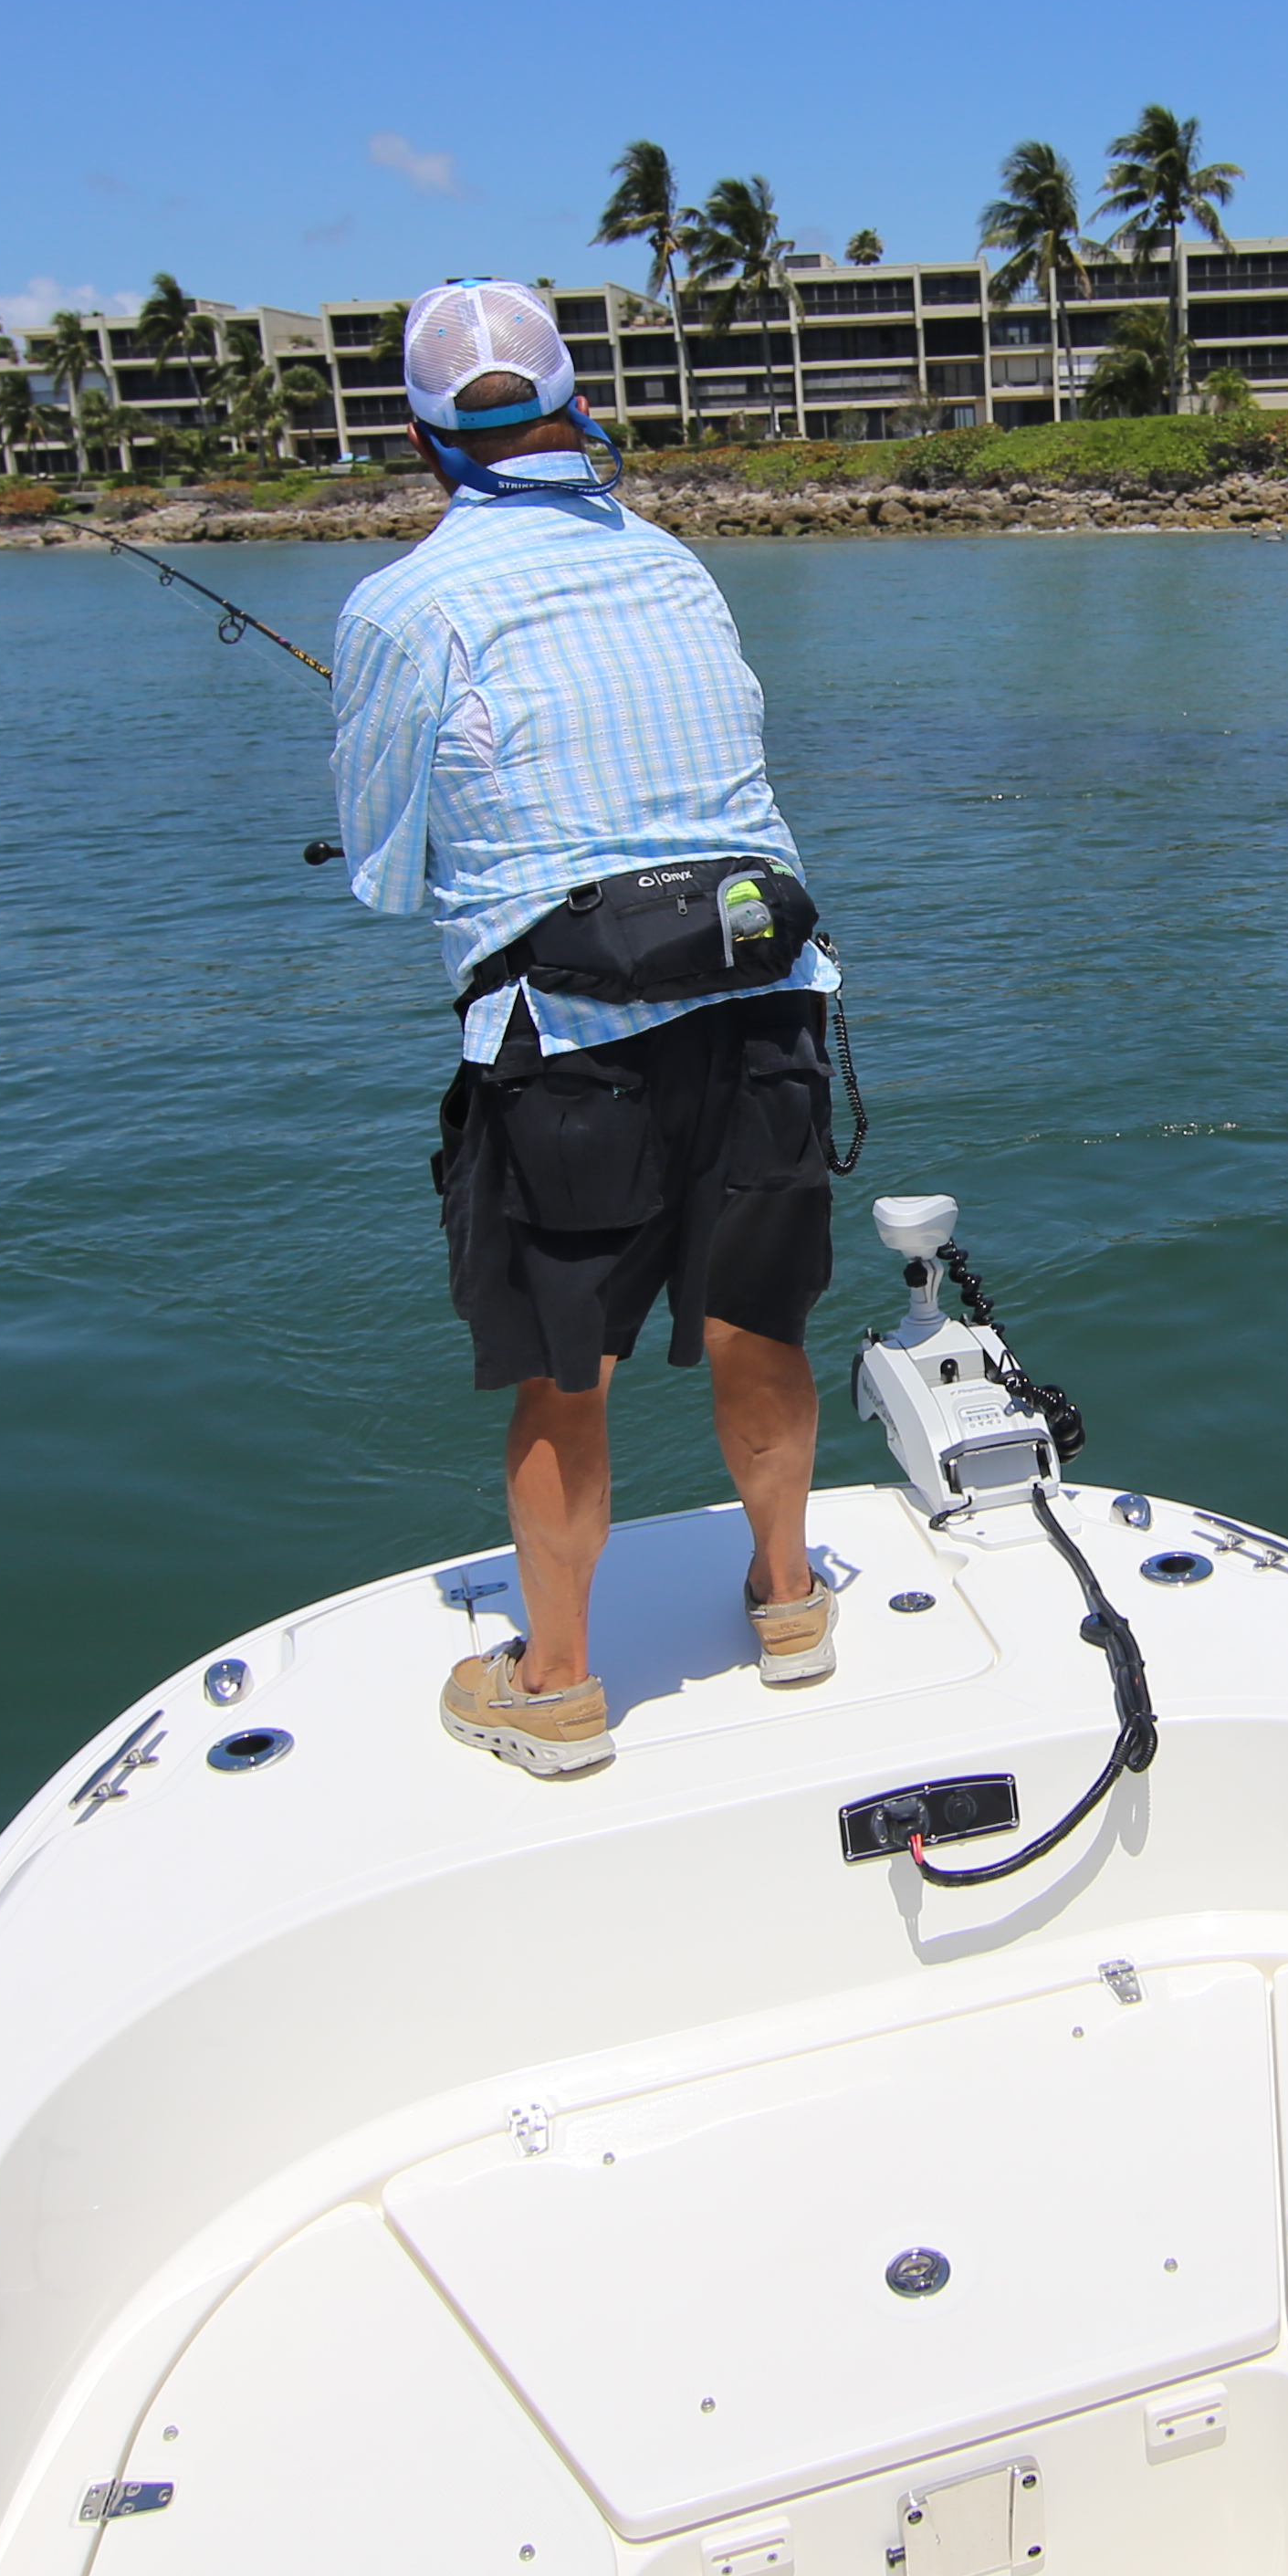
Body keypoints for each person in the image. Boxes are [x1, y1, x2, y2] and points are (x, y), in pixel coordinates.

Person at [330, 277, 843, 1776]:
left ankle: (555, 1686)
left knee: (571, 1372)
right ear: (575, 397)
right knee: (762, 1321)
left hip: (569, 1039)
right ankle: (792, 1603)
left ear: (425, 437)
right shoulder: (679, 567)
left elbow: (380, 869)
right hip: (767, 1002)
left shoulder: (402, 605)